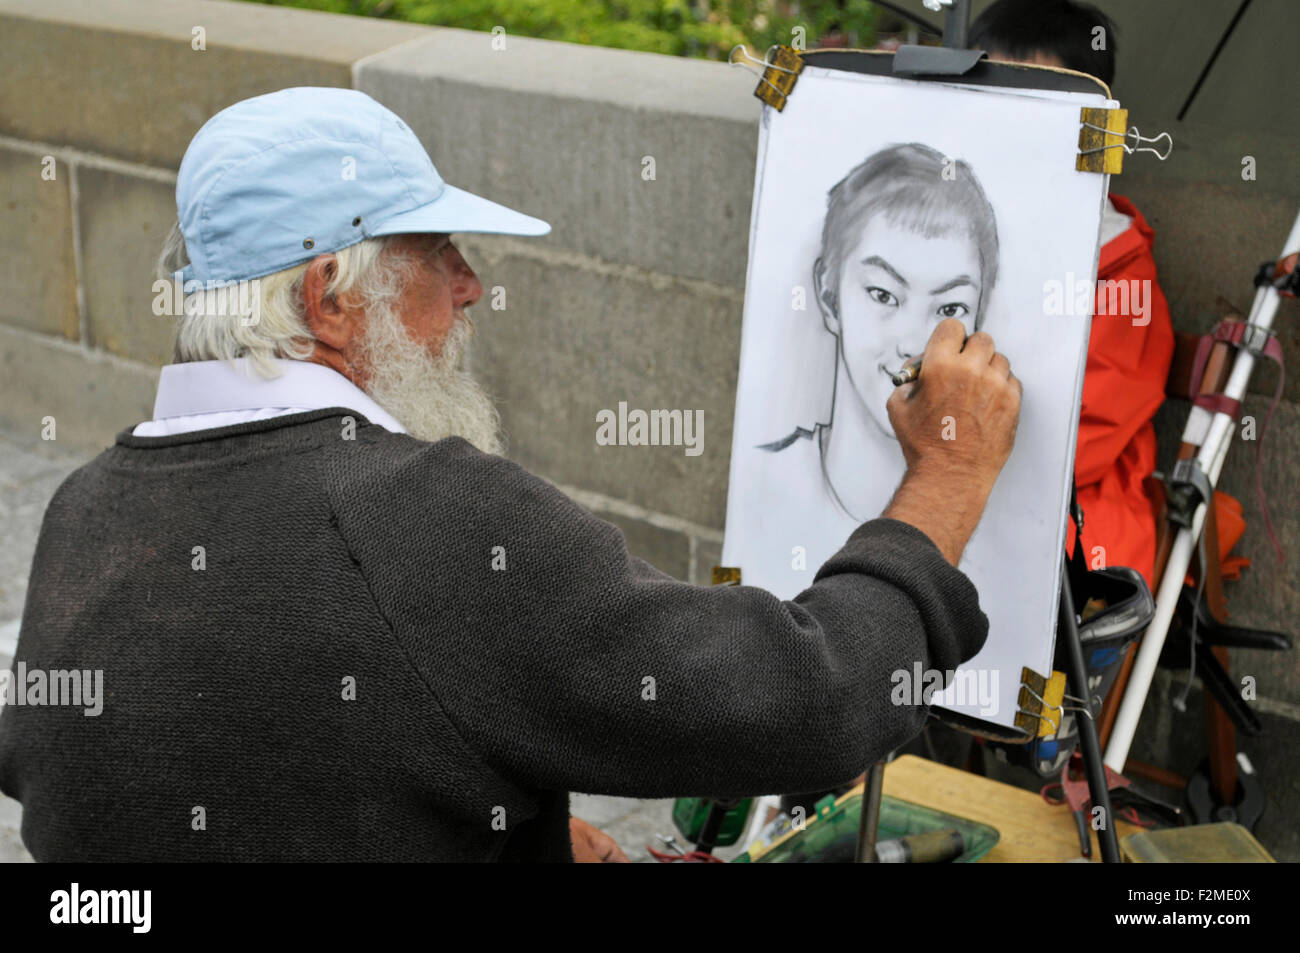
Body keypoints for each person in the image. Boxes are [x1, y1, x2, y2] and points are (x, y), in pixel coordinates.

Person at [0, 87, 1021, 862]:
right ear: (332, 298)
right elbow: (810, 700)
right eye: (433, 250)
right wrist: (945, 478)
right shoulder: (429, 518)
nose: (470, 285)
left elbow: (203, 764)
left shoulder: (87, 509)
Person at [970, 0, 1176, 589]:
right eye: (994, 96)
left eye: (1034, 100)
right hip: (959, 483)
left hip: (1073, 518)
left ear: (1091, 117)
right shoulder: (960, 223)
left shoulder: (1119, 268)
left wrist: (952, 471)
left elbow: (1090, 435)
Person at [762, 142, 999, 525]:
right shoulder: (767, 480)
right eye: (883, 295)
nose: (912, 343)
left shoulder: (1006, 521)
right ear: (828, 296)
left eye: (950, 309)